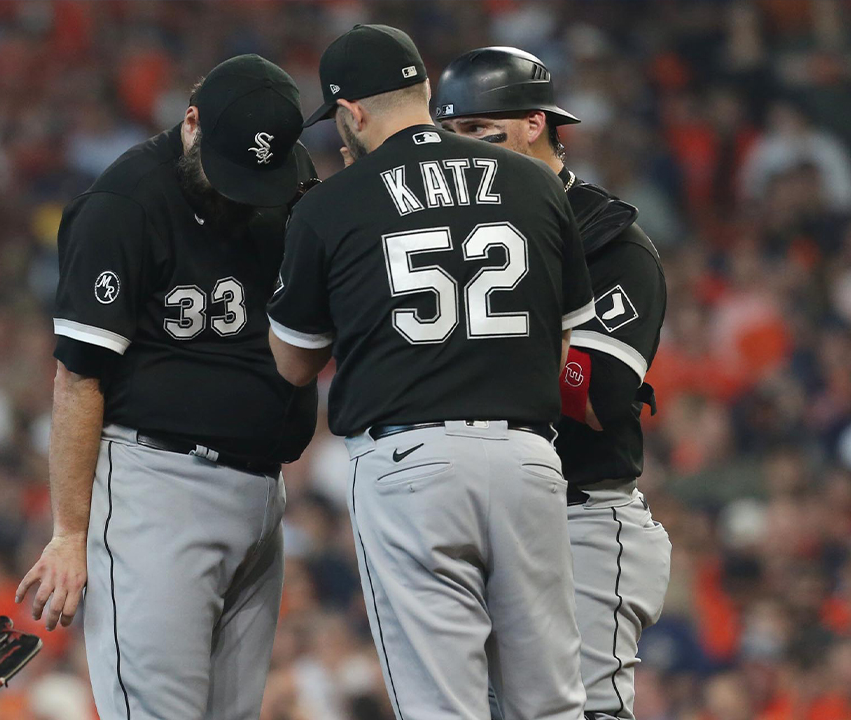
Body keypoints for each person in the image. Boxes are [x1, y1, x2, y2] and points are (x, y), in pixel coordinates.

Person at [268, 25, 594, 720]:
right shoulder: (535, 183)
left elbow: (294, 362)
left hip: (410, 464)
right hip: (527, 457)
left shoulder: (329, 205)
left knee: (443, 707)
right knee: (553, 703)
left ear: (351, 113)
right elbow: (561, 338)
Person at [16, 54, 318, 720]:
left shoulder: (288, 183)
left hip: (262, 495)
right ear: (190, 123)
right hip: (158, 490)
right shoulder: (124, 204)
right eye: (231, 168)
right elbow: (78, 375)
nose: (245, 190)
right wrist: (69, 533)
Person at [435, 46, 672, 720]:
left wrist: (492, 334)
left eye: (478, 130)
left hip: (582, 517)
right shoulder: (444, 234)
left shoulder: (609, 240)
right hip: (478, 517)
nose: (461, 149)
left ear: (534, 124)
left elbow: (595, 395)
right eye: (449, 134)